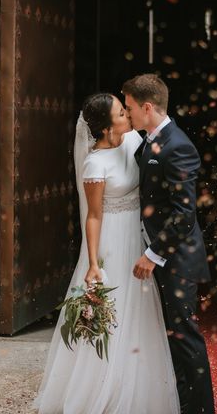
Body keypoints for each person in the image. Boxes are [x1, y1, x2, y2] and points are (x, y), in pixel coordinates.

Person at [33, 93, 179, 414]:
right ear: (105, 127)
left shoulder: (134, 140)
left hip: (137, 235)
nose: (127, 113)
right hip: (112, 238)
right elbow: (94, 215)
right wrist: (93, 262)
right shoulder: (94, 163)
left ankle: (138, 382)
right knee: (113, 307)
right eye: (120, 112)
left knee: (138, 308)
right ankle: (100, 386)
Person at [124, 74, 215, 414]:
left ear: (147, 107)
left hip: (176, 259)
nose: (128, 113)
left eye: (131, 108)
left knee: (186, 339)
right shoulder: (150, 140)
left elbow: (184, 214)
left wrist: (153, 253)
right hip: (165, 256)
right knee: (172, 339)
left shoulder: (178, 145)